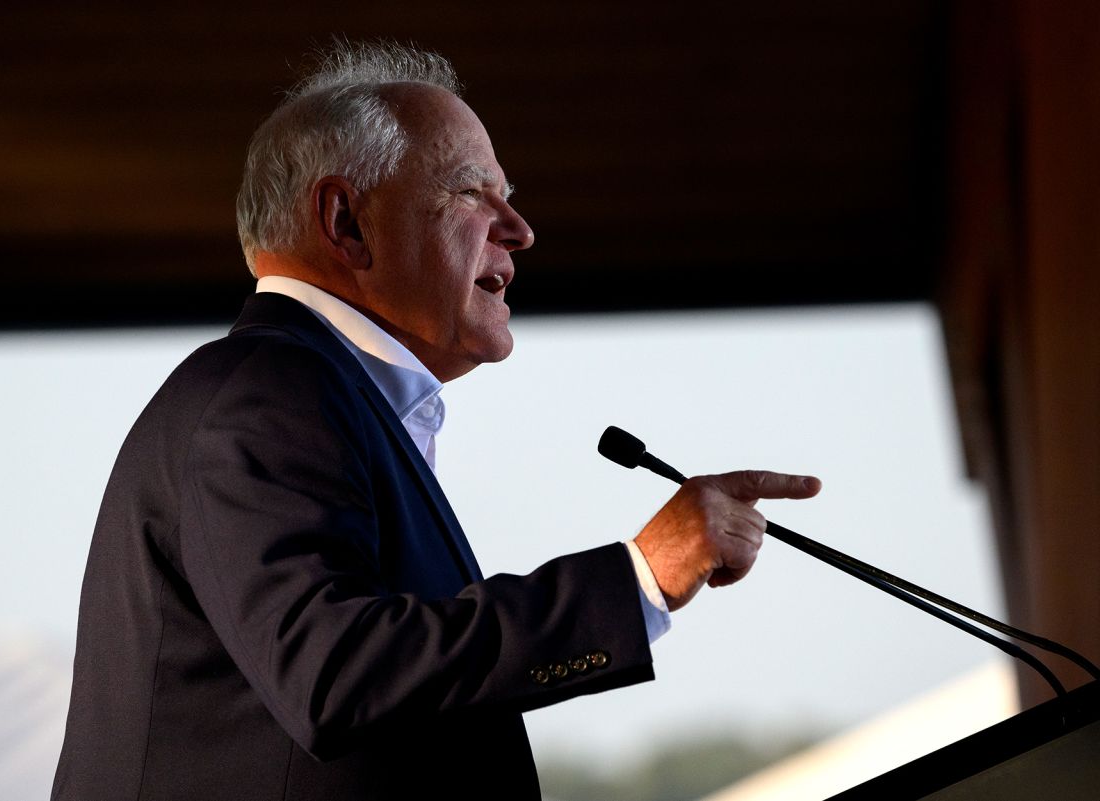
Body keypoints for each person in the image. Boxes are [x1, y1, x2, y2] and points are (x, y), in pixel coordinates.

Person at [51, 40, 821, 801]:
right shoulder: (264, 392)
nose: (518, 230)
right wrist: (639, 575)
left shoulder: (317, 395)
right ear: (346, 221)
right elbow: (333, 671)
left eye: (508, 195)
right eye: (470, 193)